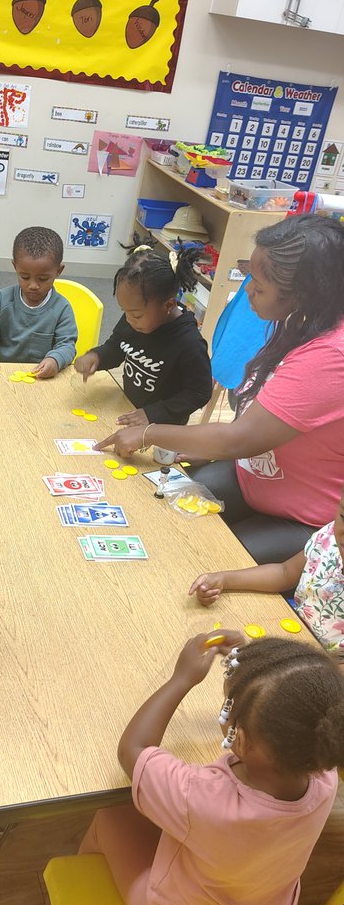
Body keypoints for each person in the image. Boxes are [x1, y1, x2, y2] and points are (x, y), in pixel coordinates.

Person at [80, 630, 343, 905]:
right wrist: (252, 664)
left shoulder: (202, 797)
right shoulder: (326, 779)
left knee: (111, 814)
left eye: (229, 709)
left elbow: (134, 749)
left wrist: (182, 678)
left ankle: (79, 890)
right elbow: (295, 710)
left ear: (242, 740)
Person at [94, 216, 344, 563]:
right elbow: (262, 422)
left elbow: (240, 436)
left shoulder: (331, 356)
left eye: (258, 283)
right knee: (153, 516)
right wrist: (208, 448)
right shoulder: (297, 321)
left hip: (302, 518)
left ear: (301, 293)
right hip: (248, 475)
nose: (248, 290)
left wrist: (149, 432)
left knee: (203, 561)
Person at [190, 481, 344, 659]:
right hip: (295, 638)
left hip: (321, 672)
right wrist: (224, 579)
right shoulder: (329, 539)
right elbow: (284, 572)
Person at [74, 242, 212, 427]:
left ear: (168, 305)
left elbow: (199, 392)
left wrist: (154, 413)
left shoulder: (190, 343)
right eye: (125, 311)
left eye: (136, 314)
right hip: (128, 408)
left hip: (163, 427)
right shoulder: (135, 320)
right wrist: (96, 356)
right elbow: (116, 347)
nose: (129, 320)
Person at [0, 226, 77, 379]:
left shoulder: (62, 308)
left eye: (43, 279)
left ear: (58, 271)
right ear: (15, 267)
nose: (33, 285)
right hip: (0, 372)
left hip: (40, 376)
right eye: (25, 277)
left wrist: (55, 360)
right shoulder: (1, 299)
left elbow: (67, 345)